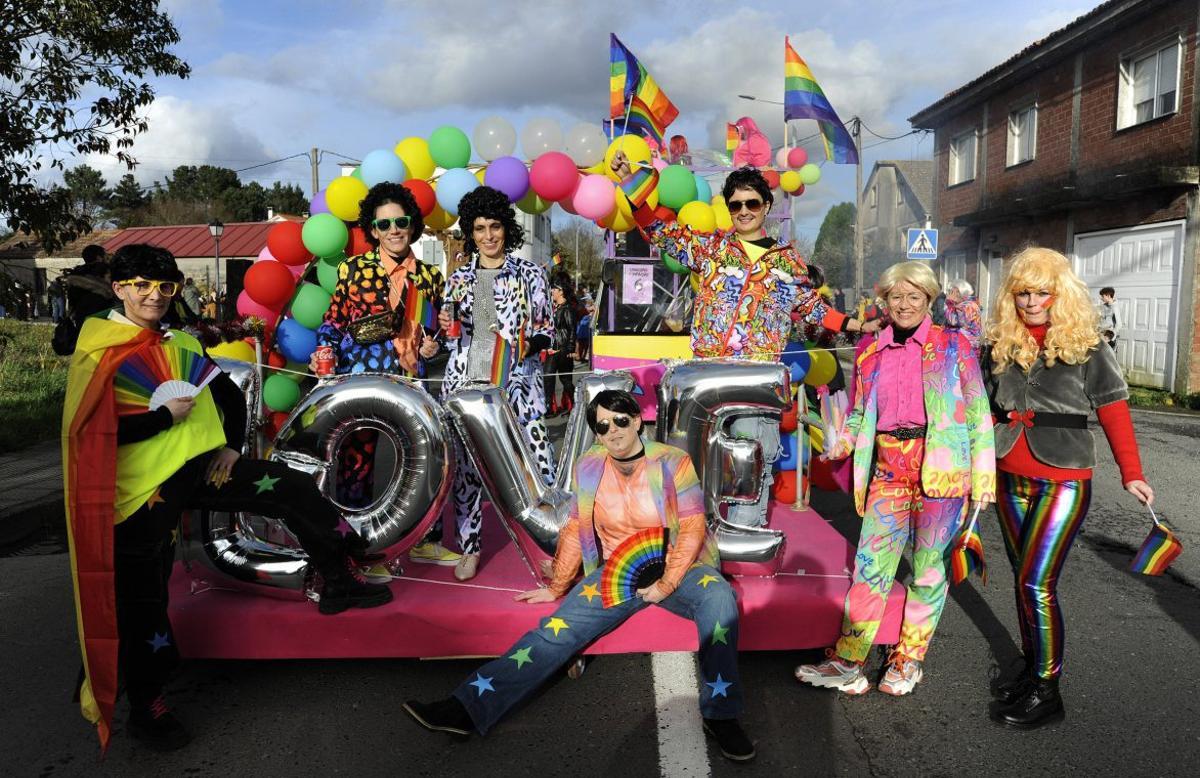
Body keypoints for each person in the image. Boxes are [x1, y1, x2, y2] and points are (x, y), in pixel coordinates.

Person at [62, 244, 392, 753]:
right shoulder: (99, 347)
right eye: (141, 286)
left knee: (292, 487)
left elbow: (230, 397)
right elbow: (92, 432)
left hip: (197, 469)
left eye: (164, 286)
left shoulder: (180, 344)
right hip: (137, 492)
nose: (154, 296)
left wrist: (232, 449)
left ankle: (337, 578)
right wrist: (160, 419)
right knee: (141, 596)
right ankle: (146, 702)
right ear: (118, 288)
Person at [402, 389, 755, 761]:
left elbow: (693, 526)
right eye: (603, 426)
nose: (614, 431)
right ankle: (466, 710)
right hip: (618, 572)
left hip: (679, 566)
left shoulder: (672, 462)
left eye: (621, 420)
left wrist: (666, 583)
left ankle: (722, 714)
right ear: (597, 434)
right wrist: (557, 585)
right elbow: (574, 526)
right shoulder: (588, 466)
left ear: (637, 420)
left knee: (719, 601)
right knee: (551, 634)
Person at [612, 156, 878, 529]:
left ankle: (744, 532)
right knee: (694, 465)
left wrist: (857, 323)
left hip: (757, 380)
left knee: (752, 462)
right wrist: (632, 187)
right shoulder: (710, 250)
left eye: (752, 203)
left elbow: (813, 308)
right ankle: (692, 542)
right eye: (735, 204)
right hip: (707, 377)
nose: (743, 211)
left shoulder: (788, 262)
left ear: (766, 205)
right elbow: (659, 231)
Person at [796, 261, 995, 696]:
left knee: (927, 571)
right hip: (888, 469)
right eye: (895, 297)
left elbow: (979, 414)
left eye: (914, 297)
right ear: (882, 302)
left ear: (929, 301)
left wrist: (984, 483)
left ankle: (909, 657)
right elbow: (861, 413)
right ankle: (849, 659)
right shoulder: (870, 352)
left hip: (941, 472)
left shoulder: (952, 346)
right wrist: (842, 443)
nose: (904, 305)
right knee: (870, 568)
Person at [981, 247, 1153, 729]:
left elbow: (1114, 408)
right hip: (1008, 470)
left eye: (1042, 292)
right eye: (1023, 293)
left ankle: (1048, 690)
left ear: (1061, 294)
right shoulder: (1000, 343)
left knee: (1038, 582)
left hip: (1065, 478)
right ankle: (1033, 670)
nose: (1032, 302)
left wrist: (1131, 472)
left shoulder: (1088, 344)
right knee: (1022, 579)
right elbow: (982, 410)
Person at [315, 182, 456, 566]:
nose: (394, 230)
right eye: (385, 224)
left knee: (427, 456)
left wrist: (433, 346)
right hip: (363, 379)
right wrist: (324, 351)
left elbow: (439, 333)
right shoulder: (355, 270)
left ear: (413, 226)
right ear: (373, 230)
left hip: (413, 380)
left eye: (402, 221)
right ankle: (356, 548)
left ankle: (426, 538)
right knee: (357, 462)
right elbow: (332, 322)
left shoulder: (429, 276)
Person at [438, 186, 556, 581]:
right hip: (468, 386)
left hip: (519, 386)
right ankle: (470, 548)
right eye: (479, 228)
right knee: (467, 470)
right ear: (470, 234)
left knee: (540, 467)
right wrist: (438, 332)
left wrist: (527, 345)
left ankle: (554, 546)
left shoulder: (531, 274)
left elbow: (547, 332)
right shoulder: (457, 280)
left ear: (507, 228)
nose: (488, 236)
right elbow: (448, 335)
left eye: (495, 227)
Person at [544, 276, 579, 416]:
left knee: (558, 378)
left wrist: (570, 348)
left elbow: (572, 329)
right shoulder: (554, 307)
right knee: (557, 378)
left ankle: (570, 406)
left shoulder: (567, 309)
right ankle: (569, 405)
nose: (551, 291)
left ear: (561, 291)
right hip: (553, 347)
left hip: (561, 348)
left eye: (554, 289)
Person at [944, 278, 983, 350]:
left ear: (961, 292)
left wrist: (949, 303)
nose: (951, 294)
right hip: (963, 344)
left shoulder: (968, 305)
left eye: (953, 291)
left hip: (966, 347)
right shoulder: (964, 304)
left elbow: (954, 321)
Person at [1097, 286, 1120, 350]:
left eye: (1103, 296)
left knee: (1106, 358)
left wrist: (1110, 337)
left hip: (1108, 338)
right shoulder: (1103, 306)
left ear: (1109, 296)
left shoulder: (1115, 307)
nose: (1101, 298)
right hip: (1101, 336)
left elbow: (1119, 324)